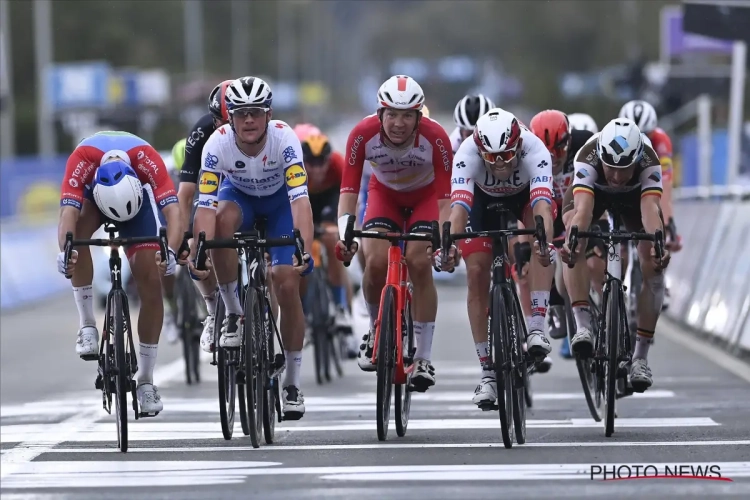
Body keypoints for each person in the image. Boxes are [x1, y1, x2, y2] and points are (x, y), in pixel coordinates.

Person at [191, 76, 314, 419]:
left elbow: (300, 202)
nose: (248, 120)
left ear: (268, 114)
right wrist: (200, 250)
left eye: (255, 113)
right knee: (219, 223)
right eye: (241, 113)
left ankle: (291, 382)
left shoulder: (284, 139)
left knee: (286, 281)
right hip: (239, 199)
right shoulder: (216, 144)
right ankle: (232, 311)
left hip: (279, 207)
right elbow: (204, 204)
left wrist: (302, 247)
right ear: (230, 117)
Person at [334, 75, 452, 392]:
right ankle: (376, 330)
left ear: (418, 116)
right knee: (373, 262)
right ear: (380, 113)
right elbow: (348, 193)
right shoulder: (361, 134)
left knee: (418, 260)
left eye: (407, 115)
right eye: (392, 115)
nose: (399, 123)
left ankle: (424, 357)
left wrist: (445, 241)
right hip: (384, 195)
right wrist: (344, 236)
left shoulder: (436, 137)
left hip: (425, 198)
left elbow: (445, 201)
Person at [437, 107, 556, 408]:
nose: (500, 164)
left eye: (506, 155)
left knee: (541, 243)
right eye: (491, 157)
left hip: (523, 197)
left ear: (518, 144)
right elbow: (459, 209)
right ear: (480, 151)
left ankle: (538, 326)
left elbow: (543, 205)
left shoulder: (535, 149)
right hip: (481, 201)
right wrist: (449, 245)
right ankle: (488, 372)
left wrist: (543, 241)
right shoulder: (467, 153)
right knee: (476, 272)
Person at [57, 132, 183, 415]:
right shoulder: (81, 160)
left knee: (150, 280)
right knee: (77, 242)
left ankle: (147, 382)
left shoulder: (147, 160)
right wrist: (65, 250)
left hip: (139, 210)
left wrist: (171, 252)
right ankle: (87, 325)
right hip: (94, 200)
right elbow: (66, 213)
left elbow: (174, 214)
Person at [560, 118, 671, 392]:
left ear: (636, 159)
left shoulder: (648, 159)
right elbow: (584, 211)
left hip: (636, 201)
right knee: (575, 236)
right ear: (602, 157)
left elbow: (649, 212)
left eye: (625, 169)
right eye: (612, 168)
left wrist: (658, 243)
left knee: (653, 262)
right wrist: (575, 238)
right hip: (594, 196)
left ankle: (640, 358)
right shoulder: (587, 155)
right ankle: (583, 324)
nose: (618, 177)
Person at [529, 110, 595, 361]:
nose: (554, 158)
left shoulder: (585, 144)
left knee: (598, 254)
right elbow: (524, 207)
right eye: (547, 152)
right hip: (551, 207)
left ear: (569, 139)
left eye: (559, 148)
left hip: (583, 203)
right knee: (546, 248)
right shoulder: (528, 154)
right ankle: (557, 301)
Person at [177, 79, 233, 353]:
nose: (224, 129)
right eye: (218, 122)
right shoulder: (201, 133)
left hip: (250, 186)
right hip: (211, 187)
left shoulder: (256, 127)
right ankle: (213, 311)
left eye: (229, 121)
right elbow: (186, 193)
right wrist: (184, 236)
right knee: (195, 249)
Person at [293, 123, 357, 357]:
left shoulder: (338, 165)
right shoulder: (292, 167)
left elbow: (348, 199)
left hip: (329, 200)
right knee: (298, 253)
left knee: (333, 241)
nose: (318, 169)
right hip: (302, 199)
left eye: (323, 163)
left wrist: (343, 230)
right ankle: (304, 313)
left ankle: (341, 309)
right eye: (312, 163)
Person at [618, 100, 681, 311]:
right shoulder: (613, 135)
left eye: (647, 135)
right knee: (618, 243)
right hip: (622, 187)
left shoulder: (661, 141)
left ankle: (658, 279)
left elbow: (666, 184)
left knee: (657, 232)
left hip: (648, 185)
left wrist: (669, 222)